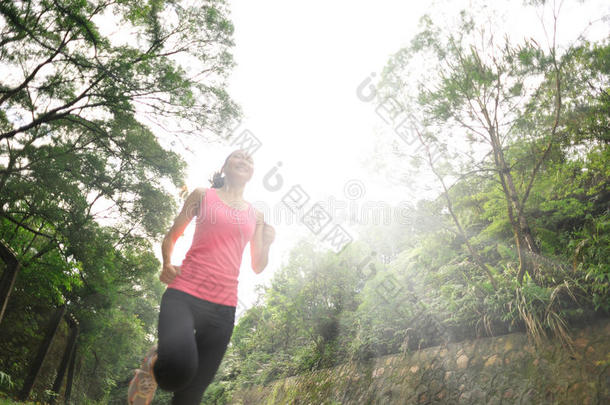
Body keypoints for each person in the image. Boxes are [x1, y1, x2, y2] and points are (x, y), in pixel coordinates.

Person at [128, 149, 276, 405]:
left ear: (252, 172)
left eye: (249, 160)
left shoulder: (257, 215)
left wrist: (268, 244)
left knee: (191, 395)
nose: (244, 161)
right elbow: (172, 235)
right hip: (184, 295)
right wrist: (166, 263)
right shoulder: (202, 196)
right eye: (237, 157)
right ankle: (155, 363)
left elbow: (257, 265)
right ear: (224, 166)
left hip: (223, 307)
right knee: (178, 375)